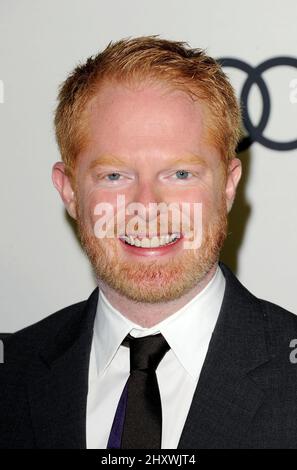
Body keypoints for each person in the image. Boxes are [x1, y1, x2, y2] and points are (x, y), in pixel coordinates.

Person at [1, 36, 297, 449]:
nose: (146, 207)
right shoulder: (12, 374)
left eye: (180, 174)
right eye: (114, 176)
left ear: (228, 187)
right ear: (68, 191)